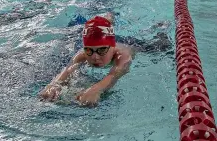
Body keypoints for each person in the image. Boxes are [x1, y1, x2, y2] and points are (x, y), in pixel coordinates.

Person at [40, 13, 172, 106]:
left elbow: (114, 75)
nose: (95, 57)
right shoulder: (83, 53)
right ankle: (107, 18)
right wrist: (54, 85)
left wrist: (96, 89)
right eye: (89, 50)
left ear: (111, 47)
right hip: (105, 39)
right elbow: (68, 69)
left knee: (162, 47)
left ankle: (162, 28)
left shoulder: (123, 56)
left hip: (130, 44)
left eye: (102, 50)